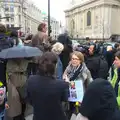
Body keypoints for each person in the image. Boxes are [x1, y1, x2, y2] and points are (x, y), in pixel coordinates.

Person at [25, 52, 69, 120]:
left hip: (38, 116)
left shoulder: (31, 80)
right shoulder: (62, 84)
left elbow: (29, 100)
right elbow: (65, 99)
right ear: (55, 66)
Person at [63, 51, 92, 119]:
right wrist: (65, 79)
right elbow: (64, 77)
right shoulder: (68, 68)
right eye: (72, 59)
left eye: (76, 59)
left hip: (79, 98)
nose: (74, 61)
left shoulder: (86, 71)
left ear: (81, 60)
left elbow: (90, 84)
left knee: (79, 115)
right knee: (67, 113)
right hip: (69, 96)